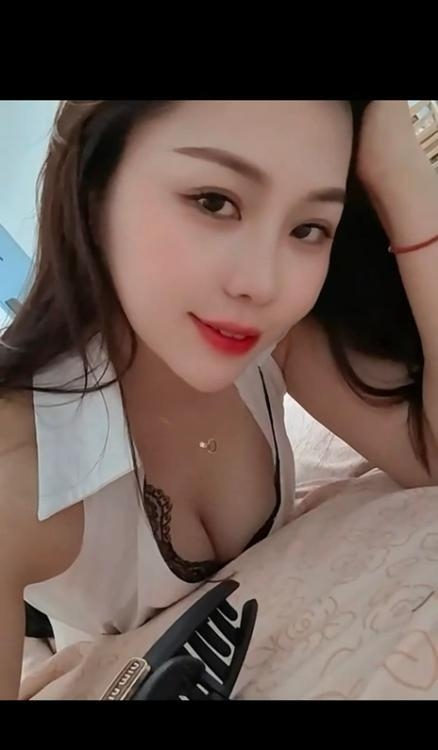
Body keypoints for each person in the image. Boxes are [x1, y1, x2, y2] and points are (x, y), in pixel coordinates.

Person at [1, 100, 437, 700]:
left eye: (308, 228)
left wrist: (398, 167)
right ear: (96, 188)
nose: (263, 283)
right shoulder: (21, 466)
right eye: (213, 202)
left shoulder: (274, 344)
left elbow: (431, 452)